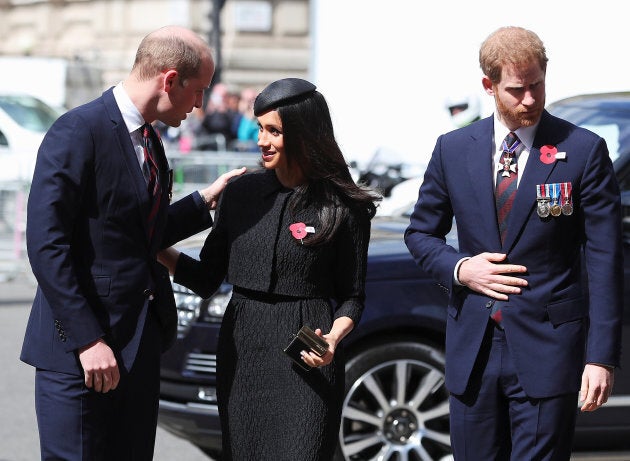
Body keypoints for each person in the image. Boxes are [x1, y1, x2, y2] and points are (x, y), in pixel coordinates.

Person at [20, 25, 245, 461]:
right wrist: (87, 340)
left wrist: (205, 200)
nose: (200, 105)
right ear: (170, 80)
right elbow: (47, 245)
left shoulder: (151, 140)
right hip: (80, 353)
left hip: (137, 347)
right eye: (197, 91)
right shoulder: (78, 130)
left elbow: (140, 235)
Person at [404, 26, 622, 460]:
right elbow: (420, 233)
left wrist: (600, 358)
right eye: (516, 90)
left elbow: (604, 259)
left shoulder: (581, 150)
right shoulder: (453, 149)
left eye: (537, 85)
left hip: (548, 349)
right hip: (474, 350)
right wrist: (461, 268)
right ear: (489, 85)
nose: (529, 100)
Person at [158, 77, 381, 460]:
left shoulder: (346, 206)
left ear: (303, 133)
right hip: (243, 347)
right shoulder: (241, 194)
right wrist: (153, 248)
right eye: (260, 128)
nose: (261, 140)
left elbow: (352, 297)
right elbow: (206, 277)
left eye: (273, 131)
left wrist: (331, 340)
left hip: (306, 349)